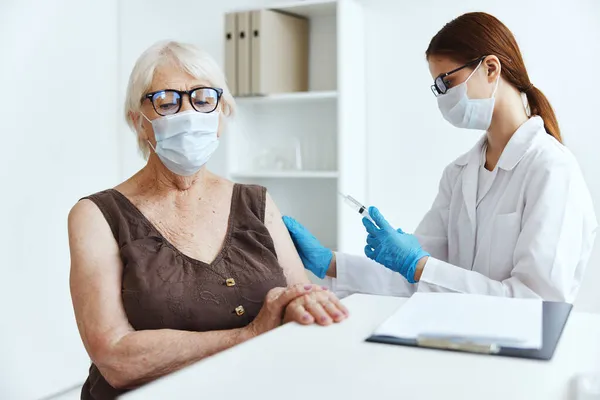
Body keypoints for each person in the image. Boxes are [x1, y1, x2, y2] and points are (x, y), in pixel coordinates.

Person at [68, 40, 348, 400]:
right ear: (138, 121)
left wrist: (304, 305)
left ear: (221, 115)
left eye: (202, 100)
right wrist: (247, 335)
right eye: (167, 101)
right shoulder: (96, 216)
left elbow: (296, 299)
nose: (188, 114)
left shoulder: (256, 201)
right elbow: (115, 359)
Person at [284, 12, 597, 302]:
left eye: (447, 81)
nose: (444, 95)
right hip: (454, 341)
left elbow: (538, 302)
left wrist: (418, 265)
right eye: (438, 86)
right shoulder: (459, 173)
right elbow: (417, 279)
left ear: (490, 68)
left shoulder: (551, 169)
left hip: (520, 355)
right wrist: (330, 263)